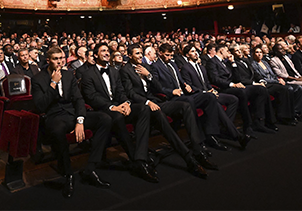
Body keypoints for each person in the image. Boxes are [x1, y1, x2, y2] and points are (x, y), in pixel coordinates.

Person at [120, 44, 215, 179]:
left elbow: (158, 87)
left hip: (156, 102)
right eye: (136, 54)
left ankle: (197, 148)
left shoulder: (147, 67)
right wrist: (147, 102)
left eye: (141, 53)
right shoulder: (125, 70)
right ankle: (189, 159)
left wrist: (149, 76)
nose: (140, 56)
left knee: (185, 106)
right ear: (129, 56)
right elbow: (130, 93)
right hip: (142, 106)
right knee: (161, 116)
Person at [32, 47, 112, 198]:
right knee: (57, 130)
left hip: (73, 114)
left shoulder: (69, 75)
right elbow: (40, 106)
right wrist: (53, 84)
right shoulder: (38, 78)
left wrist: (80, 120)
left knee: (105, 119)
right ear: (48, 60)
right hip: (55, 116)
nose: (60, 61)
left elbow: (78, 99)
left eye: (61, 58)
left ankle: (90, 168)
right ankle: (68, 174)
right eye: (56, 58)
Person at [80, 43, 157, 183]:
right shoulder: (87, 74)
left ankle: (140, 155)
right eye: (103, 51)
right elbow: (92, 97)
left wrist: (126, 103)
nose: (107, 53)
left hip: (119, 106)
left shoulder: (115, 71)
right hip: (103, 111)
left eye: (108, 51)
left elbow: (121, 92)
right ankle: (137, 160)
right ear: (96, 55)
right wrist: (111, 107)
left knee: (143, 108)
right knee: (117, 117)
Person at [154, 43, 249, 151]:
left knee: (211, 98)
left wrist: (186, 85)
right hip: (174, 98)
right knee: (197, 99)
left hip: (185, 94)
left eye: (171, 55)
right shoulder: (155, 66)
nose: (170, 58)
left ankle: (213, 134)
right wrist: (172, 91)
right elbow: (157, 87)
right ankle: (205, 138)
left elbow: (181, 80)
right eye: (167, 55)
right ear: (160, 53)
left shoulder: (173, 64)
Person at [205, 42, 267, 133]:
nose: (229, 53)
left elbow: (237, 78)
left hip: (233, 86)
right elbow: (215, 79)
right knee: (242, 92)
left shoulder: (226, 62)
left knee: (260, 89)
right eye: (227, 51)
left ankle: (259, 121)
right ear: (221, 51)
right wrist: (232, 84)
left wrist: (233, 63)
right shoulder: (212, 62)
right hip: (223, 88)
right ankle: (247, 125)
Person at [250, 46, 302, 124]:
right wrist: (276, 81)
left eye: (260, 52)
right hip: (266, 84)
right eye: (257, 52)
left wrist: (278, 79)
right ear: (253, 54)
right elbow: (260, 77)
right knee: (285, 89)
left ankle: (294, 114)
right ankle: (283, 116)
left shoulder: (265, 62)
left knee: (296, 88)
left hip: (274, 82)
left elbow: (273, 74)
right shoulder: (253, 64)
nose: (259, 54)